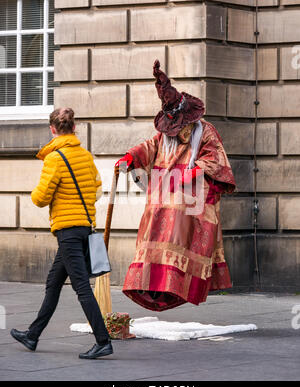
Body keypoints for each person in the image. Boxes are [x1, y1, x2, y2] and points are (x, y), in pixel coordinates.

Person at [116, 60, 236, 311]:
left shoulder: (206, 131)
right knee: (153, 230)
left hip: (191, 197)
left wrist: (193, 172)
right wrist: (131, 157)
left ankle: (177, 287)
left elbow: (216, 159)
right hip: (163, 192)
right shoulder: (164, 136)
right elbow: (150, 146)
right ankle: (153, 286)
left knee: (179, 230)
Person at [10, 108, 113, 360]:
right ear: (74, 128)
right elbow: (98, 188)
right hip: (84, 227)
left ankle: (103, 341)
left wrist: (36, 194)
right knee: (53, 283)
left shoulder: (54, 159)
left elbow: (41, 198)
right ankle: (33, 335)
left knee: (82, 288)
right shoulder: (85, 156)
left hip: (67, 230)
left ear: (52, 129)